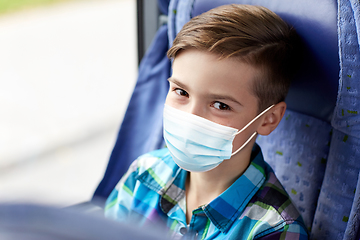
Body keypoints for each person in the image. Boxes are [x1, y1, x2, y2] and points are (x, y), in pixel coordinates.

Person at [105, 4, 308, 240]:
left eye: (220, 105)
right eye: (181, 92)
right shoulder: (144, 174)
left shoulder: (274, 230)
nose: (191, 117)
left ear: (267, 119)